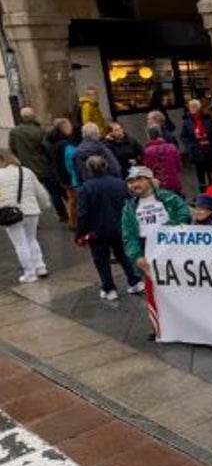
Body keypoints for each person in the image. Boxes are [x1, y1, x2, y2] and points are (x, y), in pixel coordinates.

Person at [121, 165, 192, 338]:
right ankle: (160, 328)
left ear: (150, 180)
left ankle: (188, 325)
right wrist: (136, 256)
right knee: (153, 291)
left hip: (172, 249)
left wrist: (164, 233)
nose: (134, 184)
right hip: (146, 251)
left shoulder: (169, 199)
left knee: (180, 289)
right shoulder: (129, 208)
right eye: (130, 181)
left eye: (138, 179)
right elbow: (128, 235)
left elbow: (184, 216)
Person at [74, 155, 142, 300]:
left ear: (88, 169)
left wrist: (80, 233)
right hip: (120, 226)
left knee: (101, 260)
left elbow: (83, 214)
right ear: (106, 166)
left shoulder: (85, 189)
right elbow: (130, 204)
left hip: (97, 231)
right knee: (124, 255)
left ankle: (109, 289)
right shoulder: (119, 183)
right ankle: (134, 281)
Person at [0, 149, 52, 283]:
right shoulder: (26, 171)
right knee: (32, 239)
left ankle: (30, 273)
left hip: (11, 213)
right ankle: (41, 267)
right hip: (32, 211)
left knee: (20, 244)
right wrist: (45, 205)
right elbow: (40, 191)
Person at [9, 107, 67, 221]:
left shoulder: (14, 132)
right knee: (55, 192)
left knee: (30, 195)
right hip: (45, 167)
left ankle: (31, 217)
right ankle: (62, 214)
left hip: (27, 167)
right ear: (33, 116)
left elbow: (13, 149)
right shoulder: (40, 131)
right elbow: (48, 149)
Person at [181, 100, 212, 190]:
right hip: (197, 151)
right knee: (200, 174)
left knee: (211, 172)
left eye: (194, 106)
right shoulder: (187, 122)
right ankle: (203, 192)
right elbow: (184, 136)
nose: (192, 108)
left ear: (199, 108)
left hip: (209, 149)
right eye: (190, 106)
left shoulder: (207, 119)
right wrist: (190, 147)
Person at [142, 124, 184, 194]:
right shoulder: (172, 147)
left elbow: (149, 170)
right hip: (174, 181)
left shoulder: (148, 151)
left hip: (159, 184)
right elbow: (179, 166)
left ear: (148, 136)